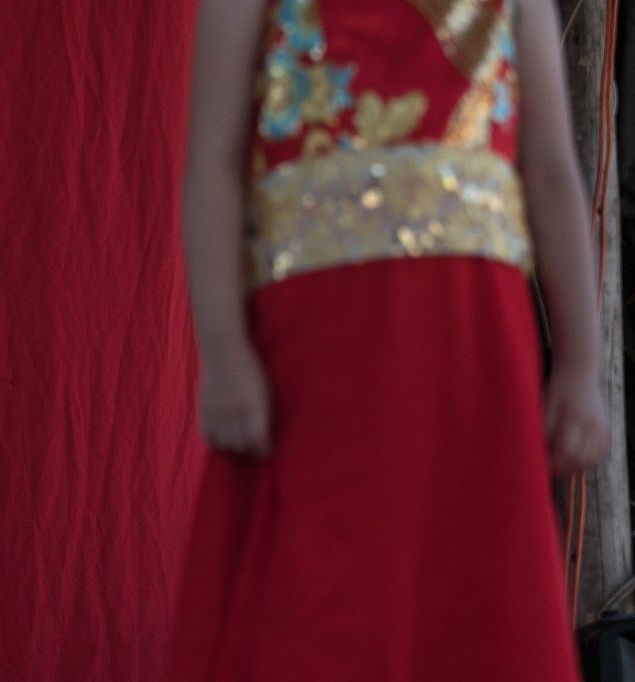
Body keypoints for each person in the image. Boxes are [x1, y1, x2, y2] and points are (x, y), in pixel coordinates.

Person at [171, 0, 607, 679]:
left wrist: (581, 363)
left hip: (471, 370)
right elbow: (213, 168)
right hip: (313, 375)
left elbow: (550, 173)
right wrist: (224, 351)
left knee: (472, 596)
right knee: (317, 603)